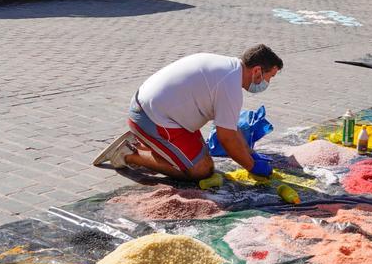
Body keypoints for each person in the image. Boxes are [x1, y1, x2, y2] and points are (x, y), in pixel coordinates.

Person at [93, 45, 283, 182]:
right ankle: (127, 154)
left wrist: (250, 154)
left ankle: (150, 144)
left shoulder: (230, 69)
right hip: (151, 118)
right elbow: (227, 138)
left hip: (160, 113)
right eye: (270, 77)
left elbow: (231, 131)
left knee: (201, 156)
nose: (268, 82)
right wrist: (251, 166)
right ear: (257, 71)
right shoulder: (230, 85)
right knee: (201, 170)